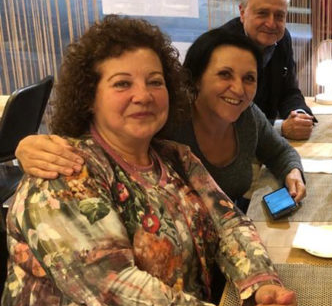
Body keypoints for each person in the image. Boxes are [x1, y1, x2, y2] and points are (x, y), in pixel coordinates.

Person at [1, 15, 299, 306]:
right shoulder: (63, 173)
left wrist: (261, 283)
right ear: (89, 96)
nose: (143, 96)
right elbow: (116, 288)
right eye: (122, 84)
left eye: (155, 82)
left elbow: (229, 224)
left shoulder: (176, 158)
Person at [15, 28, 306, 211]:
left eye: (249, 78)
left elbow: (278, 153)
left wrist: (292, 172)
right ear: (196, 79)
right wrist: (28, 147)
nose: (239, 89)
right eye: (224, 74)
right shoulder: (165, 124)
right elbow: (90, 142)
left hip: (212, 248)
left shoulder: (241, 120)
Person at [221, 0, 315, 140]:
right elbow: (225, 115)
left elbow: (289, 91)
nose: (271, 24)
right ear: (242, 13)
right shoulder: (223, 47)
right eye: (262, 13)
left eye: (279, 16)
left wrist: (300, 116)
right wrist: (280, 128)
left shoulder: (282, 38)